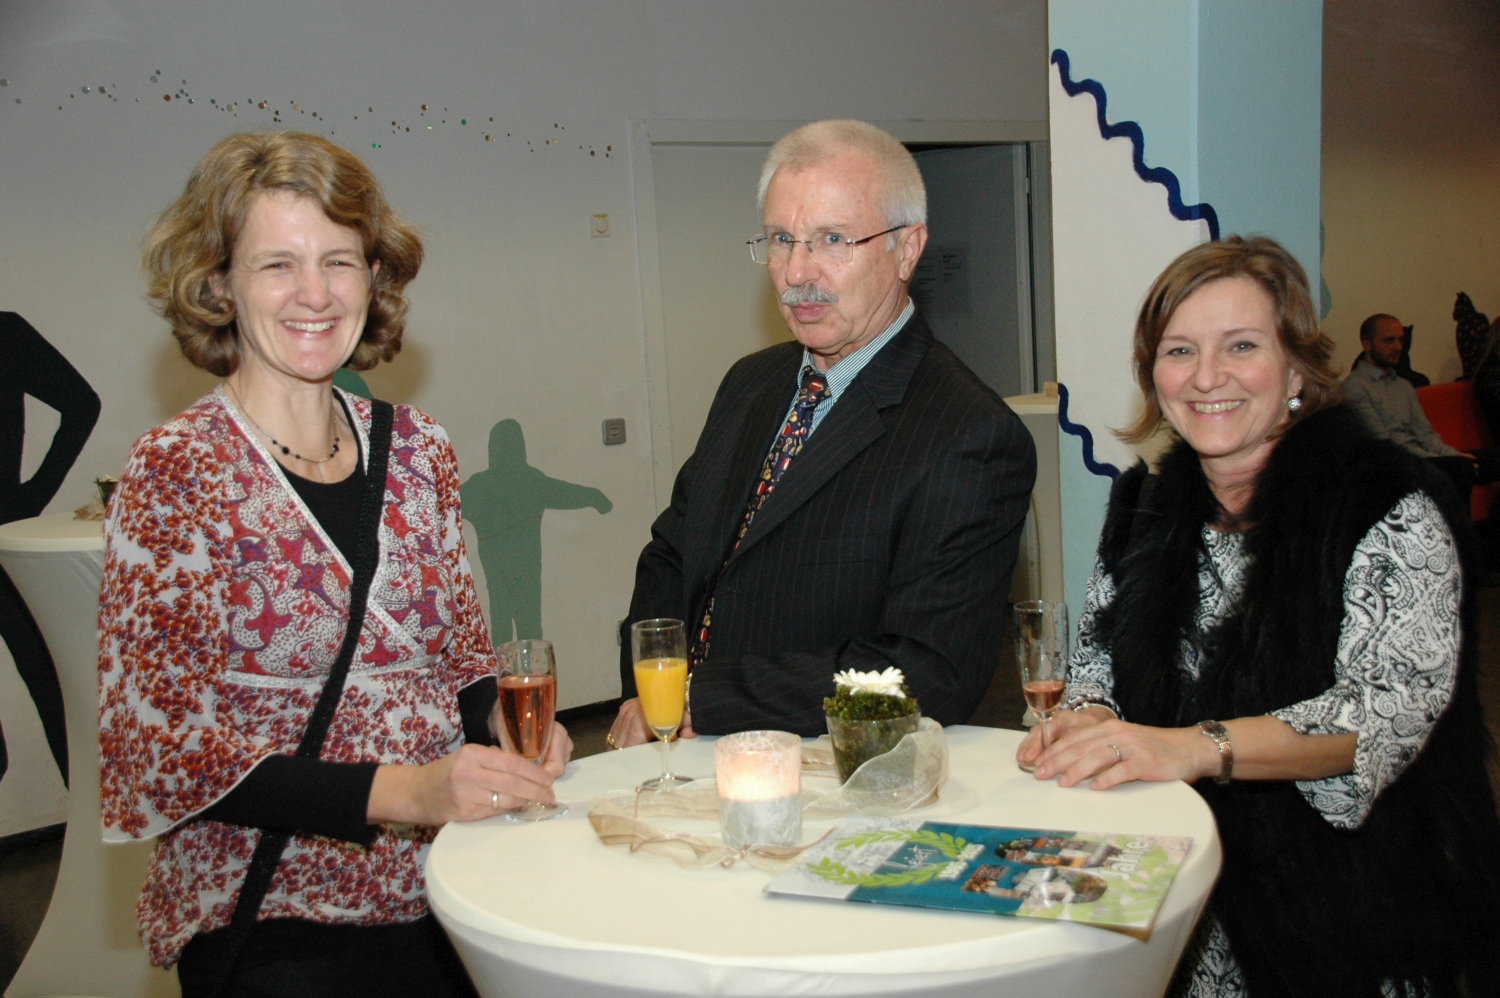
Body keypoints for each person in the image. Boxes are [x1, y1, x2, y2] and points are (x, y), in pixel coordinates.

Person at [100, 131, 571, 997]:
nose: (315, 293)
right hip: (274, 918)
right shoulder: (177, 470)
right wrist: (407, 793)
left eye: (339, 261)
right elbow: (158, 751)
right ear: (219, 284)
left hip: (448, 888)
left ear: (374, 277)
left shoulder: (418, 448)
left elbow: (464, 662)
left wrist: (504, 730)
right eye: (277, 264)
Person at [1016, 237, 1500, 996]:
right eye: (1179, 350)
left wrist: (1195, 747)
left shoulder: (1388, 504)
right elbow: (1096, 665)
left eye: (1241, 345)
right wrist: (1089, 718)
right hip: (1181, 897)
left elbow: (1379, 714)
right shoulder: (1143, 507)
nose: (1207, 376)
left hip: (1350, 914)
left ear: (1298, 369)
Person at [609, 120, 1036, 747]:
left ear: (908, 249)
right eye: (782, 239)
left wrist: (706, 700)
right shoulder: (751, 383)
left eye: (833, 240)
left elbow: (927, 673)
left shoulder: (969, 433)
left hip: (830, 774)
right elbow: (672, 555)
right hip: (682, 754)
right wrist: (652, 686)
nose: (797, 272)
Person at [1, 311, 100, 785]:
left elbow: (81, 405)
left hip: (5, 547)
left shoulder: (5, 333)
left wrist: (30, 499)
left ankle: (88, 816)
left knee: (54, 691)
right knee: (52, 689)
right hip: (7, 540)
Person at [1343, 311, 1500, 502]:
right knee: (1460, 468)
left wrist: (1452, 454)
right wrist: (1439, 460)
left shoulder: (1403, 385)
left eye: (1400, 340)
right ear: (1367, 344)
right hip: (1393, 466)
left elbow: (1425, 434)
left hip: (1422, 458)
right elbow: (1383, 444)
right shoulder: (1355, 387)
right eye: (1389, 340)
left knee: (1490, 459)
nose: (1397, 347)